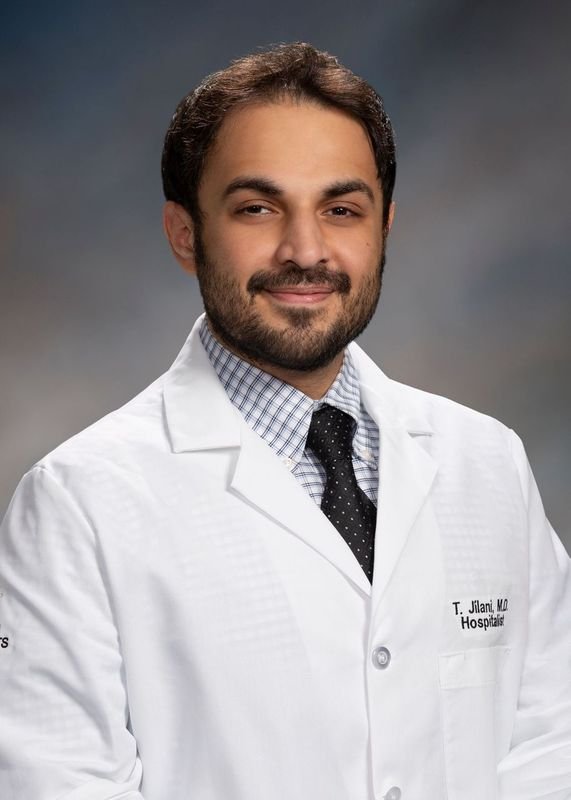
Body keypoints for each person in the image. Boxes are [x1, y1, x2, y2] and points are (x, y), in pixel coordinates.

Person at [0, 42, 569, 800]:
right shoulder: (78, 503)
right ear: (185, 233)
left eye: (341, 210)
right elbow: (59, 783)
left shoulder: (488, 462)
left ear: (384, 226)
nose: (306, 251)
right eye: (258, 208)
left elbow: (553, 742)